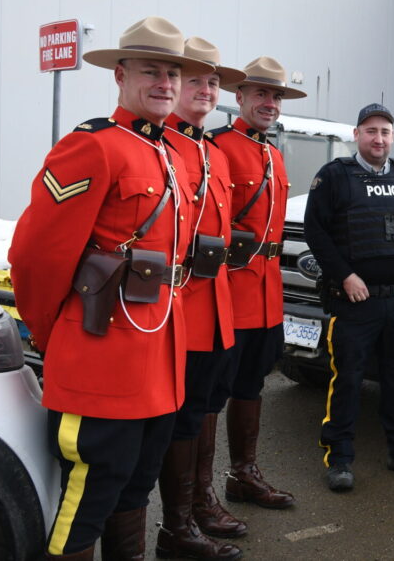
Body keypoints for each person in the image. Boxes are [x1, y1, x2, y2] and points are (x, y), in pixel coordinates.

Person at [9, 16, 211, 560]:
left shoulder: (170, 151)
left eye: (172, 72)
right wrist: (61, 341)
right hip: (100, 360)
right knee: (87, 501)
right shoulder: (93, 146)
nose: (166, 82)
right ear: (119, 76)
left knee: (135, 490)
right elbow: (35, 259)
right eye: (152, 70)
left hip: (159, 363)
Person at [304, 103, 394, 492]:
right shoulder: (334, 177)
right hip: (355, 303)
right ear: (357, 134)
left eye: (384, 132)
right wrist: (345, 276)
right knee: (347, 380)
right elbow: (316, 234)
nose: (378, 139)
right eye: (370, 131)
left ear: (392, 136)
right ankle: (340, 460)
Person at [156, 38, 247, 560]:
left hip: (219, 307)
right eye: (197, 80)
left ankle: (200, 503)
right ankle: (178, 522)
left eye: (214, 83)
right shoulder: (159, 142)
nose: (207, 90)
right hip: (179, 309)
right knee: (183, 416)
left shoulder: (213, 150)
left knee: (208, 406)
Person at [209, 56, 304, 510]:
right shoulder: (219, 146)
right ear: (239, 97)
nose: (270, 103)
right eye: (261, 94)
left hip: (266, 294)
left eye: (277, 95)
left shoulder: (273, 152)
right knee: (211, 394)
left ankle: (243, 474)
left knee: (252, 386)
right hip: (229, 291)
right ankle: (199, 494)